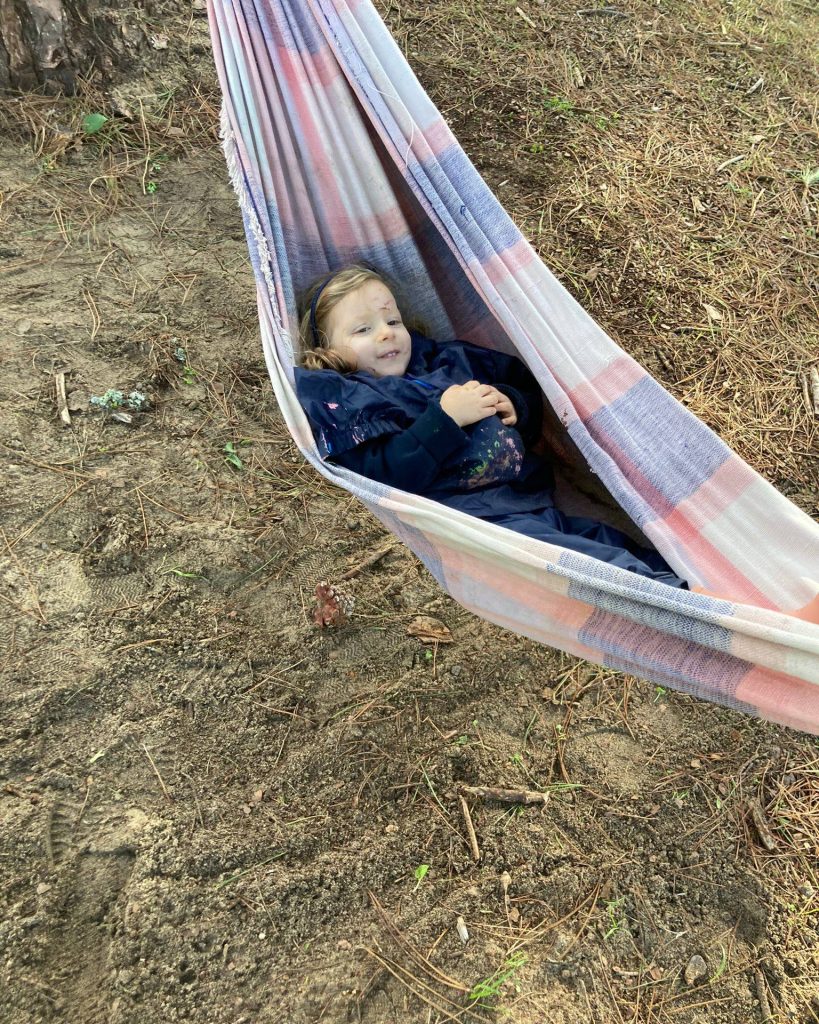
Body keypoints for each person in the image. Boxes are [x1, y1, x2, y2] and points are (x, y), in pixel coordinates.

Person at [294, 264, 687, 588]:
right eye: (362, 330)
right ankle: (671, 598)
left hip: (526, 497)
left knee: (600, 540)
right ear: (326, 351)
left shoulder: (444, 362)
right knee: (586, 561)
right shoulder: (350, 400)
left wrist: (512, 403)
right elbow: (385, 476)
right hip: (476, 520)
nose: (385, 332)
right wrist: (444, 420)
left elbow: (524, 386)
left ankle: (688, 582)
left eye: (392, 319)